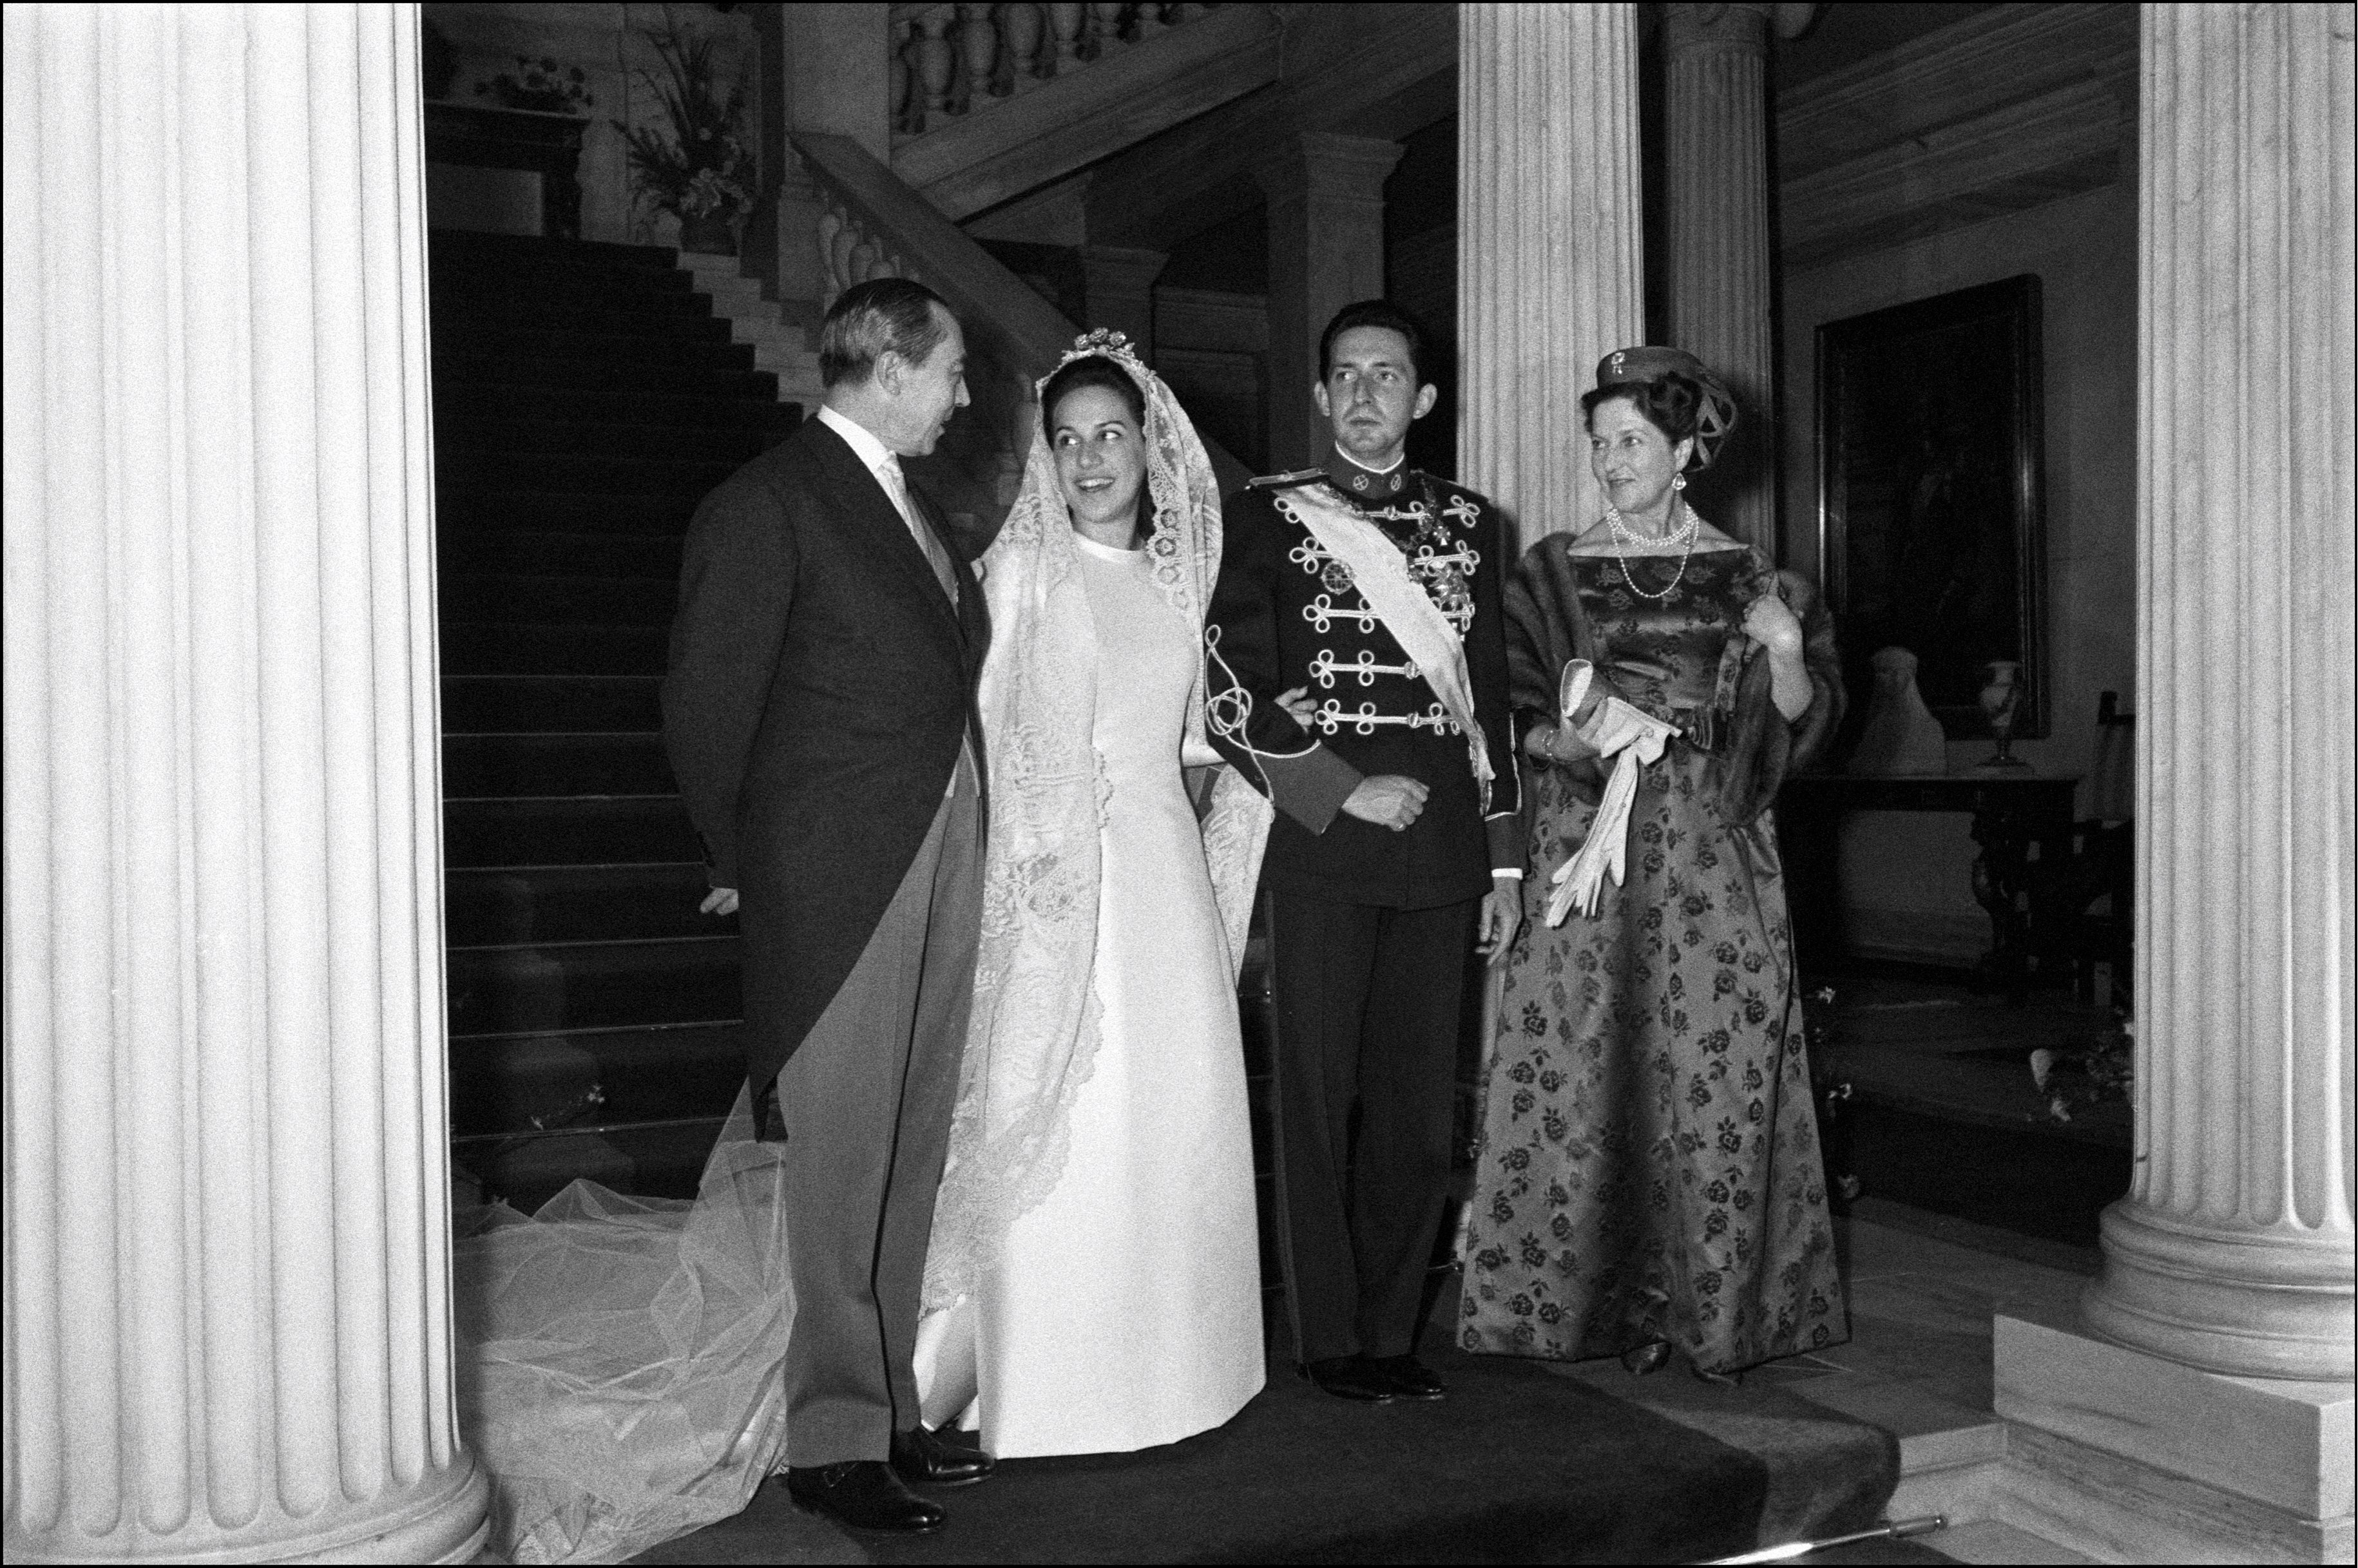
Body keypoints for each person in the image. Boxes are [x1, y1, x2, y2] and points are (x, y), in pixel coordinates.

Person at [661, 275, 995, 1533]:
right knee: (839, 1165)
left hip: (938, 858)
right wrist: (743, 849)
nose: (965, 395)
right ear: (893, 368)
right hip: (837, 880)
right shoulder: (770, 501)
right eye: (952, 369)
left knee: (912, 1150)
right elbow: (705, 703)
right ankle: (835, 1436)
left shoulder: (919, 510)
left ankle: (895, 1407)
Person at [908, 330, 1274, 1457]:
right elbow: (978, 731)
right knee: (1063, 1111)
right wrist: (1027, 866)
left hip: (1162, 872)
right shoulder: (1021, 574)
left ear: (1151, 451)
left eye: (1111, 435)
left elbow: (1205, 732)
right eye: (1067, 442)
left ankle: (1173, 1371)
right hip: (1059, 882)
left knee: (1170, 1110)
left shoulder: (1184, 584)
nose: (1089, 460)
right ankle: (1034, 1382)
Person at [1458, 347, 1848, 1382]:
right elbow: (1511, 710)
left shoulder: (1760, 580)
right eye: (1599, 443)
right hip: (1592, 852)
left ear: (1684, 453)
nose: (1610, 460)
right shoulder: (1549, 573)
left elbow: (1808, 735)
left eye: (1631, 441)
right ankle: (1586, 1306)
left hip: (1717, 859)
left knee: (1710, 1076)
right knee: (1583, 1068)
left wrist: (1785, 654)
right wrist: (1583, 739)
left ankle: (1706, 1312)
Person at [1203, 300, 1524, 1406]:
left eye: (1388, 375)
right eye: (1346, 374)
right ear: (1322, 392)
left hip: (1440, 850)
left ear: (1422, 399)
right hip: (1325, 845)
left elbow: (1499, 703)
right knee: (1315, 1094)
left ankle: (1394, 1330)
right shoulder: (1265, 518)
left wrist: (1508, 862)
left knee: (1414, 1108)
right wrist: (1338, 787)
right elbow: (1229, 685)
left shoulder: (1476, 526)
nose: (1366, 392)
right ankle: (1330, 1337)